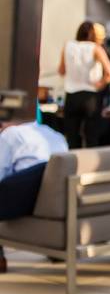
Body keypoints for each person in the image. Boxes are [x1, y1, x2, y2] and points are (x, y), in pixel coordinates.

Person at [0, 117, 68, 273]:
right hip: (58, 205)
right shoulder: (53, 133)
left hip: (26, 202)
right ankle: (55, 249)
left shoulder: (10, 135)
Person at [58, 21, 110, 149]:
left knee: (72, 137)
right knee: (91, 137)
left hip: (71, 95)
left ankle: (72, 165)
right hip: (91, 96)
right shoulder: (95, 48)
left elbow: (61, 70)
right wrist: (99, 85)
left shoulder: (68, 46)